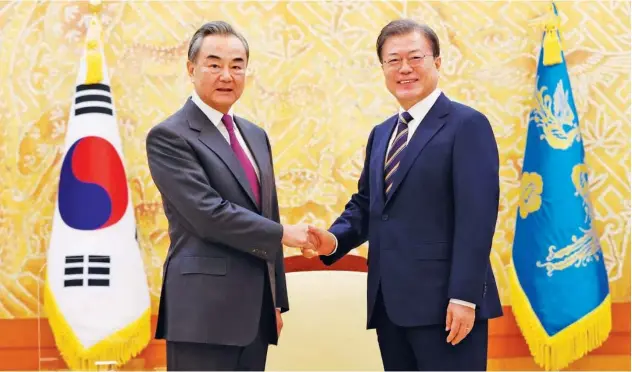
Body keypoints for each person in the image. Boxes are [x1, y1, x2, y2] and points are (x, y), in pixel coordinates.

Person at [304, 19, 503, 371]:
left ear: (437, 63)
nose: (404, 68)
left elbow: (477, 219)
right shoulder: (381, 134)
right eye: (393, 60)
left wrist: (464, 297)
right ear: (382, 68)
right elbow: (367, 206)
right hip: (390, 305)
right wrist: (333, 240)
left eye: (415, 57)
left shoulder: (466, 125)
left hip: (447, 307)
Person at [146, 21, 312, 371]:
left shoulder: (255, 135)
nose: (227, 75)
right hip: (202, 315)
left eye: (237, 65)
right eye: (214, 64)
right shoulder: (169, 136)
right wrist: (284, 234)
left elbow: (269, 214)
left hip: (255, 317)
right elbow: (208, 214)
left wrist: (276, 302)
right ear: (191, 69)